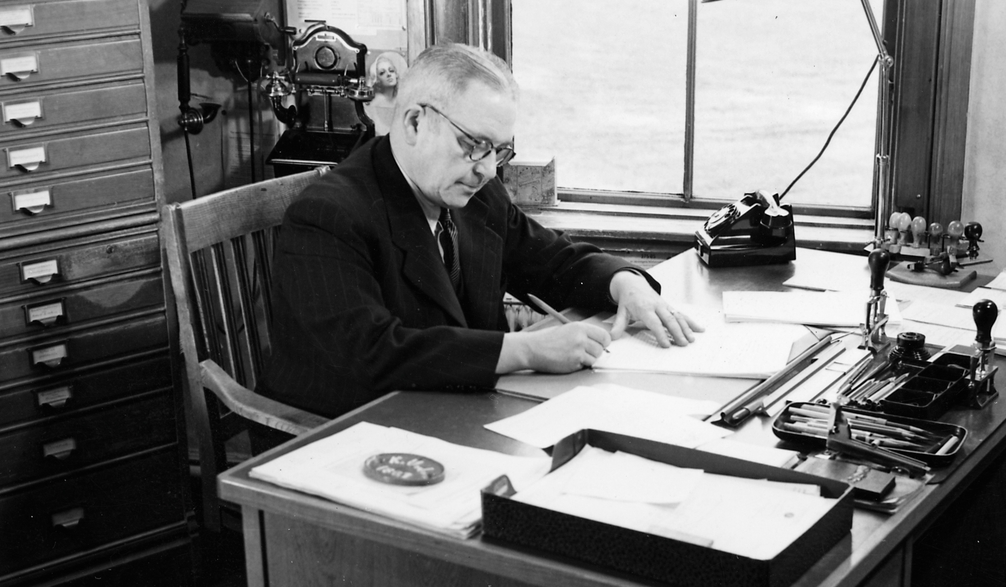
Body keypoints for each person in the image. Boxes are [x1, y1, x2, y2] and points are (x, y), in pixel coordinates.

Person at [264, 42, 700, 419]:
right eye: (473, 145)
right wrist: (523, 350)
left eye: (499, 150)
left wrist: (626, 284)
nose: (488, 169)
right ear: (414, 122)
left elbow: (552, 261)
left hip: (450, 409)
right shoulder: (328, 215)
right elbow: (372, 352)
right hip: (347, 432)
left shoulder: (475, 194)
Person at [362, 51, 406, 136]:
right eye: (382, 73)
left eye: (391, 71)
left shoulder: (403, 100)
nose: (389, 74)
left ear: (396, 75)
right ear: (376, 79)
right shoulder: (371, 104)